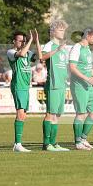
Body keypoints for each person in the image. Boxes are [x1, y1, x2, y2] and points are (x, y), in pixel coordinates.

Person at [38, 19, 70, 151]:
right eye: (60, 29)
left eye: (64, 30)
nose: (63, 32)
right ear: (53, 31)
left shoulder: (62, 48)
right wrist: (57, 49)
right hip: (53, 83)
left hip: (62, 84)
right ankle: (46, 144)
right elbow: (42, 58)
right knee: (50, 113)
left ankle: (53, 142)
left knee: (57, 114)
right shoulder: (50, 45)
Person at [69, 28, 93, 150]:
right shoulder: (76, 48)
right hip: (79, 85)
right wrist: (87, 79)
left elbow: (88, 69)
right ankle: (78, 142)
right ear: (88, 35)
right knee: (81, 114)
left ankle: (83, 140)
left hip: (88, 86)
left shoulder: (87, 49)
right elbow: (72, 68)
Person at [7, 30, 37, 153]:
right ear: (14, 41)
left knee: (23, 115)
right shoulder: (11, 52)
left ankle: (18, 143)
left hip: (26, 86)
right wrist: (30, 40)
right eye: (20, 40)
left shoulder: (28, 52)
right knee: (20, 113)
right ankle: (17, 144)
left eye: (24, 40)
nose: (22, 42)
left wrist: (37, 40)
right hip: (18, 85)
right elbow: (21, 54)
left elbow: (40, 57)